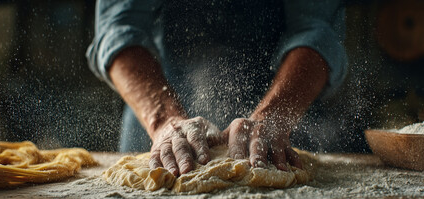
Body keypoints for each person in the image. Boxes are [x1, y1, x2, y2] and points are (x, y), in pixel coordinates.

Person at [87, 0, 348, 176]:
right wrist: (164, 121)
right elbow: (119, 29)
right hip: (157, 126)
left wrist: (273, 118)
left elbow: (317, 30)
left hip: (282, 132)